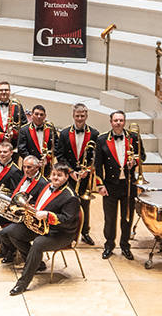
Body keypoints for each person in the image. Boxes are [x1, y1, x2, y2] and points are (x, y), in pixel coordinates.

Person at [6, 163, 81, 295]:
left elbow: (67, 220)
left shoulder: (71, 197)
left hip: (61, 233)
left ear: (66, 177)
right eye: (53, 174)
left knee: (38, 243)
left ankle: (22, 283)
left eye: (59, 175)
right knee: (12, 231)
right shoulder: (47, 185)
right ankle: (37, 263)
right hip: (43, 227)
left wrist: (47, 215)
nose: (55, 177)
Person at [94, 110, 145, 260]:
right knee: (110, 218)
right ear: (111, 122)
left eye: (121, 120)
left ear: (124, 122)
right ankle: (109, 245)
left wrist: (135, 161)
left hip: (128, 184)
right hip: (110, 185)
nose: (118, 123)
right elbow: (98, 165)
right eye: (115, 120)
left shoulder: (133, 137)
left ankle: (125, 246)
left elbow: (142, 155)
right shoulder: (102, 139)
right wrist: (100, 185)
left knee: (127, 218)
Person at [54, 103, 99, 246]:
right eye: (77, 116)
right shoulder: (65, 133)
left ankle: (85, 232)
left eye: (82, 116)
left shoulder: (94, 133)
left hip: (85, 176)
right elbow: (60, 155)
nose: (80, 118)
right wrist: (70, 171)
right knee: (68, 204)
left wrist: (88, 170)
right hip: (70, 176)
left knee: (85, 205)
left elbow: (97, 156)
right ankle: (68, 232)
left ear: (86, 116)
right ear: (73, 116)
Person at [0, 156, 47, 263]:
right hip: (16, 213)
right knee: (3, 232)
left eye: (29, 167)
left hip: (29, 219)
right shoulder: (24, 177)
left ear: (37, 168)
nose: (26, 170)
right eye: (24, 167)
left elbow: (41, 204)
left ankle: (35, 262)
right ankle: (11, 253)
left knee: (8, 233)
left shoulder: (43, 183)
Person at [17, 104, 55, 177]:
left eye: (41, 114)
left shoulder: (51, 129)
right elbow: (21, 149)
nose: (39, 117)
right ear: (32, 115)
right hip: (29, 167)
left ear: (45, 116)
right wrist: (33, 162)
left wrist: (47, 158)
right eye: (36, 114)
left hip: (46, 166)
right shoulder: (24, 130)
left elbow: (56, 146)